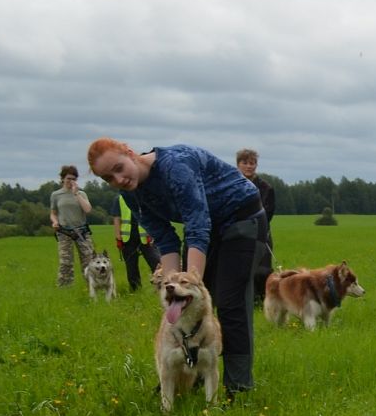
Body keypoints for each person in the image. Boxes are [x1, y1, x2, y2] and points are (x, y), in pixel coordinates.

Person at [87, 138, 262, 394]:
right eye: (109, 178)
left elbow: (197, 225)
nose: (118, 179)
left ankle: (239, 387)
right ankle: (194, 372)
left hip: (241, 217)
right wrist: (172, 290)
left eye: (119, 167)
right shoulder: (131, 194)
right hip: (207, 225)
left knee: (228, 301)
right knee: (186, 301)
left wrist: (191, 284)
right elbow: (165, 238)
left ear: (129, 152)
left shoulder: (175, 166)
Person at [236, 148, 277, 299]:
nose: (249, 166)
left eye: (252, 163)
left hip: (261, 235)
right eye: (245, 163)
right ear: (238, 165)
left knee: (263, 270)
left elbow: (267, 213)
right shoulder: (232, 186)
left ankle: (263, 300)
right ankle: (245, 298)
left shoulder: (266, 188)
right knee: (241, 269)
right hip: (238, 235)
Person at [47, 165, 96, 287]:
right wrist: (54, 221)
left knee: (88, 260)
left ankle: (92, 285)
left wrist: (76, 194)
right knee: (66, 262)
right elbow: (53, 213)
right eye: (68, 178)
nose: (71, 181)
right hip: (64, 231)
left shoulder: (81, 194)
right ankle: (64, 287)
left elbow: (88, 209)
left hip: (81, 231)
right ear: (63, 179)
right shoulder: (56, 195)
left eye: (73, 179)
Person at [111, 192, 159, 293]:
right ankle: (135, 290)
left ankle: (161, 287)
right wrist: (118, 237)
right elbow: (116, 218)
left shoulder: (144, 195)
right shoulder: (119, 199)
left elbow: (153, 215)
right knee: (131, 266)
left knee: (156, 262)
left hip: (145, 237)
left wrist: (154, 233)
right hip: (128, 238)